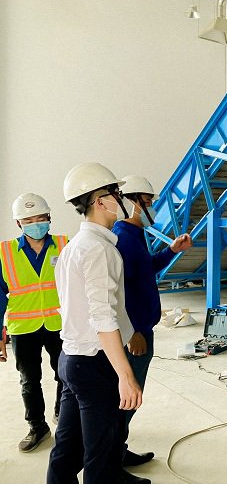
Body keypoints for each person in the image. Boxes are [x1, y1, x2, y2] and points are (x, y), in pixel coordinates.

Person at [47, 162, 147, 484]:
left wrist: (130, 333)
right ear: (100, 201)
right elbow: (102, 316)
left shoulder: (77, 246)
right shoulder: (97, 250)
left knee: (68, 448)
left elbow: (95, 307)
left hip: (72, 359)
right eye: (117, 193)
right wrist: (125, 375)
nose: (123, 199)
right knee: (100, 454)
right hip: (94, 363)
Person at [113, 175, 192, 467]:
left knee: (131, 396)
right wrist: (131, 331)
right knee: (127, 396)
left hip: (143, 328)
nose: (152, 209)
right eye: (147, 203)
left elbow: (146, 270)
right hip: (135, 333)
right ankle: (113, 456)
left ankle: (117, 448)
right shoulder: (122, 238)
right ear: (131, 203)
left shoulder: (136, 236)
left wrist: (171, 251)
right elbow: (116, 293)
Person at [0, 193, 66, 452]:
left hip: (59, 323)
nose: (36, 223)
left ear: (49, 218)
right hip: (23, 327)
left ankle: (64, 416)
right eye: (28, 220)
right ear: (19, 223)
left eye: (41, 218)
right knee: (29, 380)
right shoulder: (4, 252)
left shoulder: (64, 244)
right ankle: (37, 426)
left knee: (66, 375)